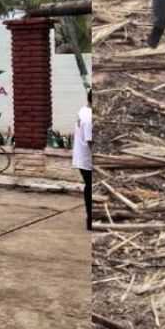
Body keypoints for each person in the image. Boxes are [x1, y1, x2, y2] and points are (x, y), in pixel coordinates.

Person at [74, 90, 94, 230]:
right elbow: (90, 141)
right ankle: (91, 220)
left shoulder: (83, 110)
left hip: (81, 157)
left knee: (89, 187)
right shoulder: (89, 118)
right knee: (91, 188)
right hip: (88, 160)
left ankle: (91, 219)